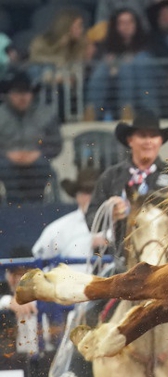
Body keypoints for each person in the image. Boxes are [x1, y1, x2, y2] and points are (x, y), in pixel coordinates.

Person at [86, 111, 168, 265]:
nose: (148, 141)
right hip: (121, 262)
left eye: (153, 136)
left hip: (167, 262)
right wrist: (109, 213)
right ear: (130, 140)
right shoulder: (112, 176)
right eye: (142, 135)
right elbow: (91, 220)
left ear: (161, 141)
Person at [0, 72, 63, 204]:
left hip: (37, 161)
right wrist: (6, 154)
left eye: (26, 92)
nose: (22, 97)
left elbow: (56, 143)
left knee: (42, 166)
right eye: (17, 93)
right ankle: (13, 207)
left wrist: (39, 154)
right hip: (5, 162)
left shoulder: (46, 114)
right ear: (9, 95)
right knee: (4, 167)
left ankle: (36, 206)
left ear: (32, 94)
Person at [85, 8, 158, 121]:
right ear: (116, 26)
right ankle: (91, 111)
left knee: (132, 64)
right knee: (104, 66)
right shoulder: (106, 45)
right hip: (113, 86)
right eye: (122, 23)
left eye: (130, 22)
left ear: (136, 24)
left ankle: (130, 110)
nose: (126, 26)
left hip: (143, 85)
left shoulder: (148, 42)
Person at [33, 168, 98, 272]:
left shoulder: (119, 225)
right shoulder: (57, 229)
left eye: (95, 192)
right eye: (85, 192)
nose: (91, 198)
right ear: (77, 196)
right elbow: (39, 259)